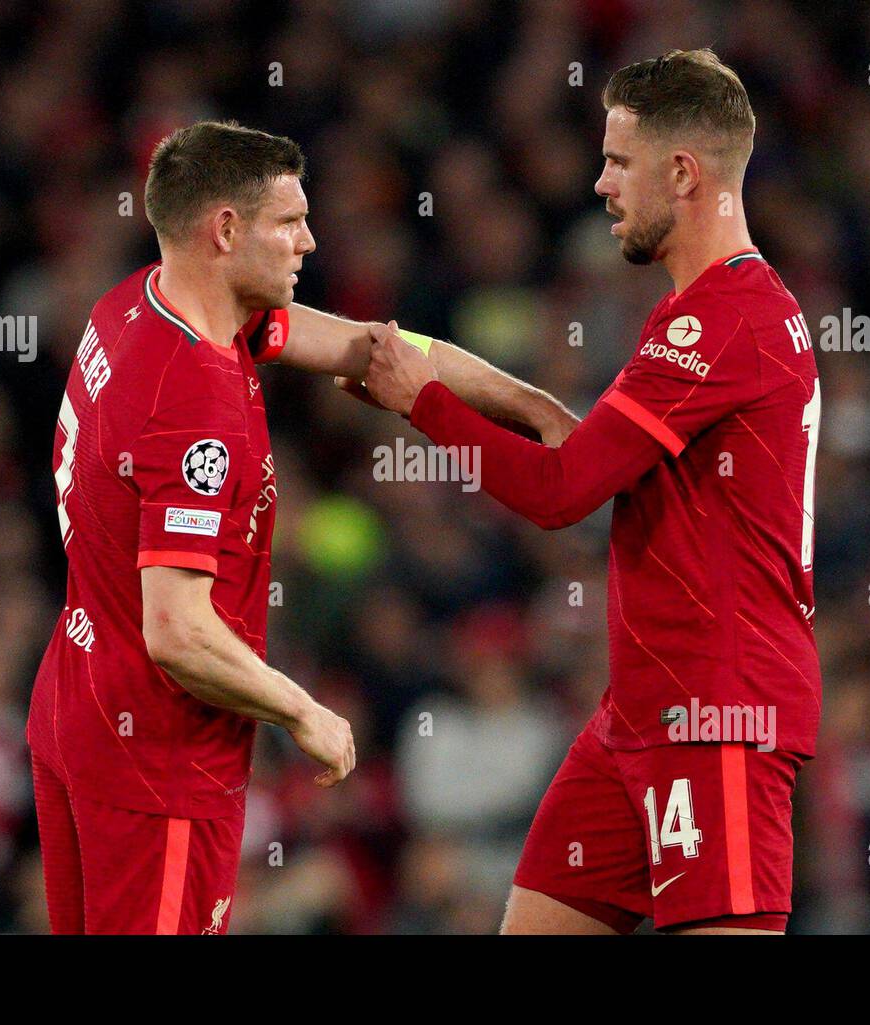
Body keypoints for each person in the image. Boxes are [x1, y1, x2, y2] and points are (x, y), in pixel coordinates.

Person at [26, 119, 576, 934]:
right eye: (289, 222)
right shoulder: (195, 401)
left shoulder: (143, 302)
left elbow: (375, 350)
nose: (310, 241)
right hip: (158, 761)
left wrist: (536, 409)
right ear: (225, 231)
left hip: (77, 703)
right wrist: (301, 710)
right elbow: (176, 629)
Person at [361, 50, 823, 934]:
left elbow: (563, 488)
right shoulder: (700, 312)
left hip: (717, 712)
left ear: (682, 173)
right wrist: (490, 392)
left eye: (617, 161)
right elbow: (582, 449)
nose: (601, 183)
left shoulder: (722, 319)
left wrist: (419, 402)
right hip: (637, 714)